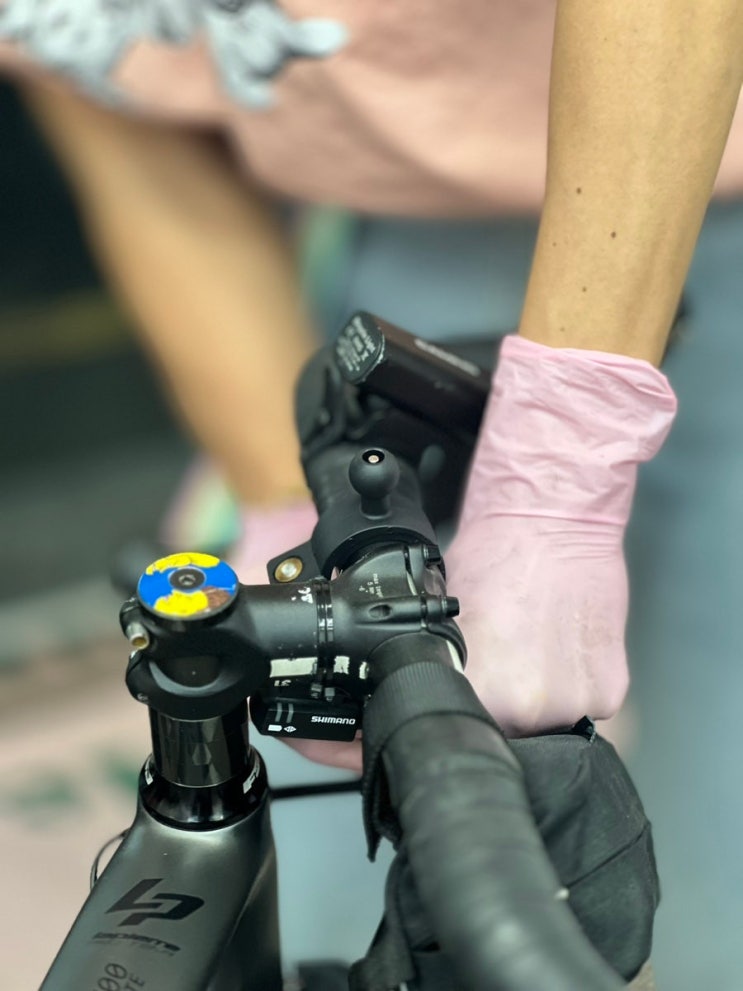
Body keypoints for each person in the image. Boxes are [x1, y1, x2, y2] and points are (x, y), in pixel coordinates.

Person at [1, 3, 742, 985]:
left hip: (701, 184)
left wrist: (557, 473)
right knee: (331, 895)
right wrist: (295, 513)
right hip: (408, 254)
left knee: (720, 880)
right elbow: (123, 114)